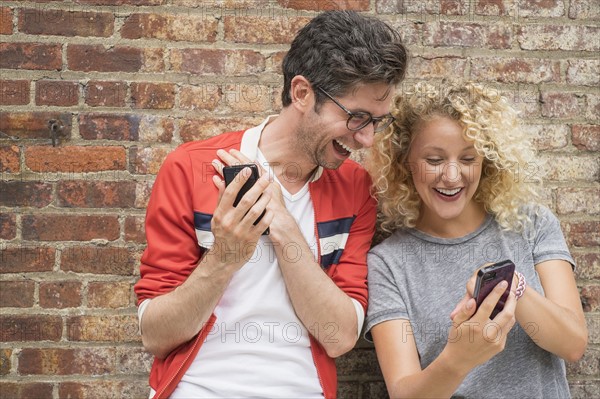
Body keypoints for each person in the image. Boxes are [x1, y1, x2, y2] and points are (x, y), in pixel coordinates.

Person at [134, 10, 408, 399]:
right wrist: (226, 254)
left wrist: (282, 225)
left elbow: (339, 337)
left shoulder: (355, 189)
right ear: (301, 93)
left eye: (378, 122)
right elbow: (156, 336)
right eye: (357, 117)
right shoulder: (190, 168)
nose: (366, 139)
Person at [365, 81, 588, 398]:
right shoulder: (388, 263)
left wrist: (510, 287)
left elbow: (573, 344)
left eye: (468, 159)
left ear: (487, 163)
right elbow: (404, 393)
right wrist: (457, 359)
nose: (452, 176)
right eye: (434, 160)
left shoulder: (533, 225)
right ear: (405, 163)